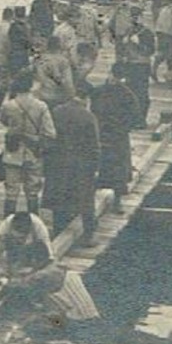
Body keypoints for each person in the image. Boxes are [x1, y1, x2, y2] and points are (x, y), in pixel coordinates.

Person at [0, 211, 100, 331]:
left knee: (42, 322)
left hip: (80, 318)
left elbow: (21, 285)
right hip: (84, 313)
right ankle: (66, 326)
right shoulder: (53, 270)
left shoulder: (42, 275)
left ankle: (70, 329)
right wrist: (2, 272)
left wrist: (6, 285)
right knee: (48, 310)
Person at [46, 86, 101, 246]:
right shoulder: (88, 116)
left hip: (59, 161)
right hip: (81, 163)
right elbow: (94, 145)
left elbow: (49, 135)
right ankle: (88, 235)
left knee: (60, 194)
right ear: (86, 99)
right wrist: (96, 166)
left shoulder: (57, 111)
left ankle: (58, 230)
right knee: (85, 199)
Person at [0, 74, 53, 216]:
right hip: (34, 153)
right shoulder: (41, 106)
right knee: (33, 191)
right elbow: (50, 132)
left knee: (11, 191)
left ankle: (7, 224)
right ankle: (34, 222)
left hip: (12, 152)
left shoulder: (9, 105)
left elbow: (3, 121)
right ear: (30, 86)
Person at [90, 63, 140, 206]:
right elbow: (135, 117)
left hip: (110, 135)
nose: (114, 79)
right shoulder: (125, 94)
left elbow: (133, 117)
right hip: (111, 136)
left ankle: (114, 201)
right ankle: (109, 202)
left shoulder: (122, 94)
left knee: (110, 169)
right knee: (112, 169)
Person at [33, 34, 78, 107]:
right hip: (59, 97)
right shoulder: (63, 61)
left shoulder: (39, 60)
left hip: (42, 96)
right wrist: (72, 95)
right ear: (60, 46)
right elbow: (68, 82)